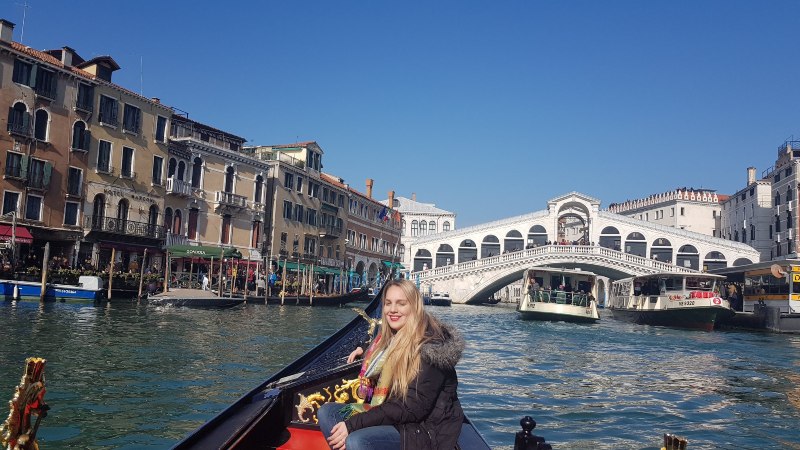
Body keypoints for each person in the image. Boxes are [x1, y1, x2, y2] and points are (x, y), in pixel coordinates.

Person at [317, 279, 465, 450]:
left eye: (401, 304)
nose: (392, 309)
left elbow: (411, 408)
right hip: (395, 414)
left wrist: (353, 425)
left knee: (357, 440)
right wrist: (363, 351)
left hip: (424, 429)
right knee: (327, 412)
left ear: (414, 307)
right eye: (388, 303)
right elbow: (379, 356)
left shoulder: (431, 348)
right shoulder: (389, 341)